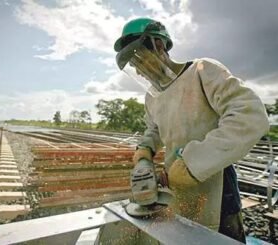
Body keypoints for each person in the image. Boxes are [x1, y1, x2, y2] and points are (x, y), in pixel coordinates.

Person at [113, 18, 270, 243]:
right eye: (133, 66)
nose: (138, 71)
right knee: (185, 236)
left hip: (218, 183)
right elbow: (154, 128)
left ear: (158, 46)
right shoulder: (152, 96)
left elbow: (249, 116)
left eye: (139, 60)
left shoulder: (202, 71)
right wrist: (145, 149)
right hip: (177, 185)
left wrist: (194, 162)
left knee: (221, 239)